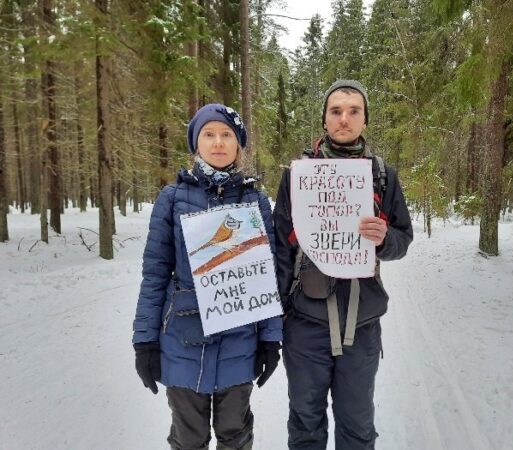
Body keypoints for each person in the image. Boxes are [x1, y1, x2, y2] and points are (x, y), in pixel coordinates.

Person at [133, 104, 283, 450]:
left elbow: (267, 273)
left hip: (239, 341)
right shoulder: (171, 199)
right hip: (183, 339)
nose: (218, 143)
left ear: (238, 144)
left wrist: (270, 339)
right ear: (195, 143)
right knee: (189, 438)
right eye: (209, 134)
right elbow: (154, 275)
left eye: (227, 135)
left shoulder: (255, 201)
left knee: (236, 434)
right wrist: (144, 340)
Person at [273, 80, 413, 450]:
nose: (344, 119)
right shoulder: (298, 175)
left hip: (361, 325)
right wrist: (281, 312)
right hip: (305, 325)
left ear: (365, 120)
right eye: (336, 111)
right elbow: (281, 246)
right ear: (325, 119)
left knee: (357, 427)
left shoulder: (383, 175)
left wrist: (384, 238)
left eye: (354, 111)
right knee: (305, 425)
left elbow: (403, 241)